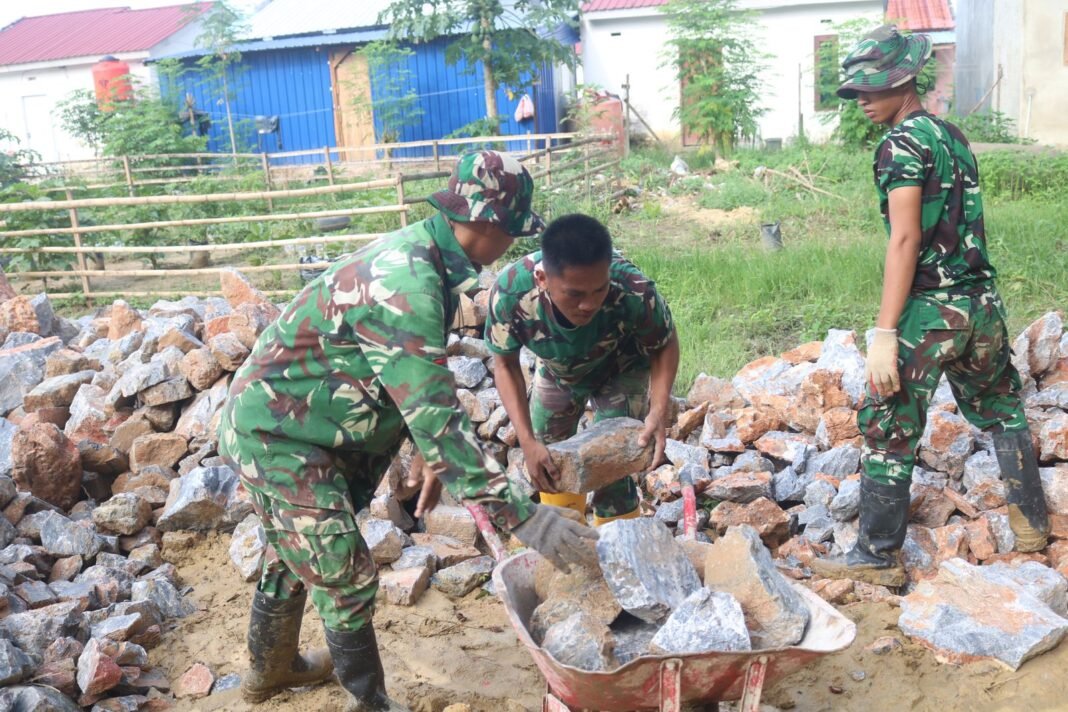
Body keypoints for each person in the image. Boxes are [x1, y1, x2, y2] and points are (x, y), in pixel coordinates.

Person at [218, 151, 598, 712]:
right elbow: (438, 420)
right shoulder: (409, 280)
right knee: (344, 573)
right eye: (513, 233)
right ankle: (370, 704)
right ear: (490, 225)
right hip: (277, 434)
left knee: (298, 551)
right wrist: (526, 516)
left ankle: (271, 670)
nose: (511, 246)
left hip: (316, 428)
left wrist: (429, 453)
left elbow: (411, 384)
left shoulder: (430, 260)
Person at [812, 25, 1049, 587]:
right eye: (857, 91)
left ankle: (876, 556)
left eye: (873, 89)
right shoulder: (953, 136)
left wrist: (884, 333)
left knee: (888, 422)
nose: (863, 100)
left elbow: (904, 239)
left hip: (931, 311)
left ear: (906, 83)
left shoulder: (900, 145)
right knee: (1002, 407)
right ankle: (1033, 527)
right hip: (981, 305)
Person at [484, 213, 679, 525]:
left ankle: (620, 545)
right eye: (574, 294)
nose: (589, 304)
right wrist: (528, 442)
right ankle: (568, 543)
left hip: (621, 368)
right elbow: (505, 365)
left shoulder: (632, 287)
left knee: (616, 455)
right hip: (558, 369)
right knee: (549, 457)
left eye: (599, 291)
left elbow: (665, 343)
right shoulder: (511, 294)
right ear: (542, 279)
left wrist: (658, 409)